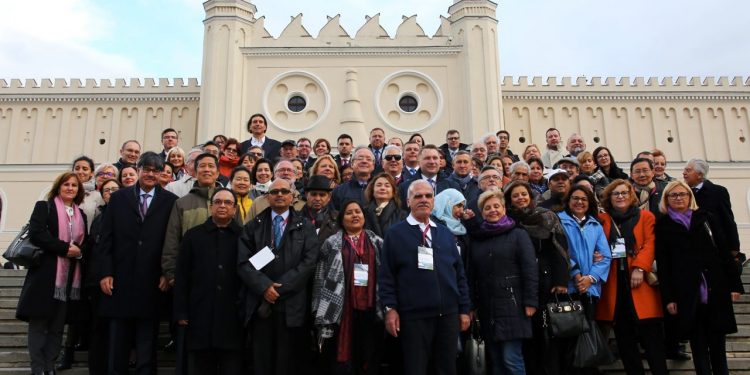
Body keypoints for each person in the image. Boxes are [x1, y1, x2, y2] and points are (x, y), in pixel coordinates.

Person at [378, 180, 471, 375]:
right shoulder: (395, 234)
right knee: (416, 368)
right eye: (418, 196)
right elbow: (387, 276)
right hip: (413, 317)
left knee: (446, 368)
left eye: (428, 196)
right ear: (408, 201)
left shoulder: (445, 233)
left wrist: (463, 309)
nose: (423, 200)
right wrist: (390, 309)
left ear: (434, 201)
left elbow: (459, 275)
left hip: (447, 316)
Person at [98, 152, 178, 374]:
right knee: (118, 345)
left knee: (147, 344)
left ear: (162, 174)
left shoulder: (171, 202)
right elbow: (106, 239)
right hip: (120, 281)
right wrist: (106, 272)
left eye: (156, 170)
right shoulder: (119, 198)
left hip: (151, 282)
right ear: (139, 170)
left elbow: (171, 242)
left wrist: (166, 273)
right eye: (147, 169)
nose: (151, 174)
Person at [655, 181, 744, 375]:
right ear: (667, 200)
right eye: (674, 195)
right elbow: (664, 265)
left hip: (714, 287)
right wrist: (669, 298)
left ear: (690, 197)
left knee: (718, 346)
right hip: (686, 292)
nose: (679, 198)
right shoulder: (663, 226)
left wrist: (735, 285)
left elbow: (723, 253)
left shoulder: (706, 218)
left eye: (682, 194)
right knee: (698, 346)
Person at [238, 178, 320, 375]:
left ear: (292, 196)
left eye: (284, 191)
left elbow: (309, 263)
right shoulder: (253, 226)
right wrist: (265, 287)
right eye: (275, 192)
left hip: (293, 305)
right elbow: (243, 262)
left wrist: (279, 288)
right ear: (267, 197)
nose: (280, 195)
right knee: (262, 361)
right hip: (261, 304)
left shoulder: (305, 226)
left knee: (289, 361)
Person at [16, 172, 88, 375]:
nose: (70, 188)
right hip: (45, 275)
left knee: (57, 326)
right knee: (39, 324)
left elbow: (85, 242)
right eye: (66, 184)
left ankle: (50, 365)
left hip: (69, 279)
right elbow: (38, 234)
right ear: (58, 187)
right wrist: (65, 248)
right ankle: (38, 367)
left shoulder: (80, 214)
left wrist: (80, 251)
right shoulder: (44, 207)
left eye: (74, 185)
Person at [595, 180, 668, 375]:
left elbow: (650, 244)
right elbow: (596, 244)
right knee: (625, 341)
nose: (620, 196)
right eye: (615, 193)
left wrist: (640, 267)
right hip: (614, 284)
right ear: (609, 197)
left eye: (624, 193)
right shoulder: (603, 219)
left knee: (652, 340)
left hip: (640, 283)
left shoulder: (645, 216)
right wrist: (596, 254)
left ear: (631, 195)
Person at [173, 188, 244, 375]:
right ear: (211, 207)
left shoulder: (244, 237)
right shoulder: (193, 236)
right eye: (218, 202)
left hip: (233, 317)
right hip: (199, 315)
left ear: (234, 209)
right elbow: (181, 276)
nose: (222, 206)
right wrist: (181, 311)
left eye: (227, 203)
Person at [468, 189, 537, 375]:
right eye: (487, 208)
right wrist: (472, 305)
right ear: (482, 213)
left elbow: (529, 269)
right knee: (496, 361)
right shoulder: (478, 239)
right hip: (488, 307)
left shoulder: (518, 235)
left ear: (504, 209)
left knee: (511, 359)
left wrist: (531, 301)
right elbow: (471, 274)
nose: (492, 210)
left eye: (496, 206)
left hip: (513, 305)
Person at [503, 181, 569, 375]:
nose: (520, 198)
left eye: (524, 194)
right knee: (526, 336)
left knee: (545, 335)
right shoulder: (507, 220)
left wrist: (560, 281)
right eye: (515, 196)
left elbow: (559, 250)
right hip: (518, 283)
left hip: (545, 282)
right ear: (510, 200)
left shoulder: (547, 217)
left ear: (530, 196)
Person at [312, 200, 384, 375]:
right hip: (339, 307)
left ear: (364, 216)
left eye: (358, 212)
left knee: (369, 351)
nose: (354, 216)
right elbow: (320, 276)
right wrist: (318, 308)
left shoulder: (377, 241)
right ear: (342, 219)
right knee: (342, 353)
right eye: (349, 213)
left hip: (371, 307)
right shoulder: (331, 243)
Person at [557, 185, 611, 374]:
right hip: (569, 290)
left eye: (584, 199)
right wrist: (576, 274)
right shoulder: (559, 221)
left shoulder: (595, 225)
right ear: (568, 200)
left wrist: (591, 278)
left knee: (587, 338)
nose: (579, 202)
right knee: (569, 340)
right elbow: (561, 250)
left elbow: (604, 255)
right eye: (575, 198)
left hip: (589, 290)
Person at [85, 178, 120, 374]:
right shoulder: (100, 217)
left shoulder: (125, 215)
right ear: (102, 194)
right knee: (99, 329)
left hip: (118, 280)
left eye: (116, 189)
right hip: (98, 281)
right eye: (108, 190)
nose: (112, 193)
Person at [683, 158, 742, 265]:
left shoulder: (718, 192)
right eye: (684, 170)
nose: (684, 173)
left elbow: (728, 219)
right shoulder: (683, 194)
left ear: (700, 175)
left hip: (717, 247)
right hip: (694, 248)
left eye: (688, 170)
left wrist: (734, 247)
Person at [363, 173, 407, 238]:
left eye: (387, 186)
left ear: (393, 191)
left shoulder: (402, 215)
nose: (382, 188)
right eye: (379, 185)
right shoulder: (363, 213)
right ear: (372, 190)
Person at [301, 175, 340, 243]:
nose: (317, 199)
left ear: (329, 197)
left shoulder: (338, 218)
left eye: (322, 195)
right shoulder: (294, 217)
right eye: (313, 194)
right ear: (306, 195)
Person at [73, 156, 103, 229]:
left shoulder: (98, 196)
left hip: (87, 237)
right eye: (77, 168)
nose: (80, 172)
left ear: (92, 173)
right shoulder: (64, 191)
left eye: (85, 169)